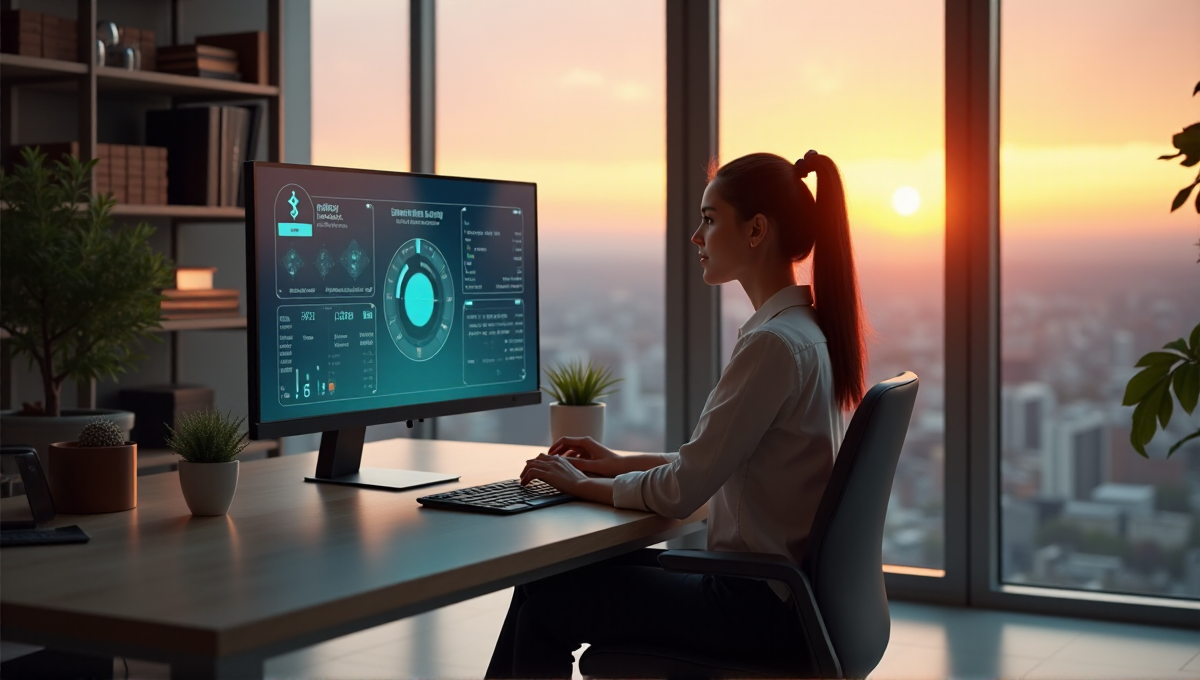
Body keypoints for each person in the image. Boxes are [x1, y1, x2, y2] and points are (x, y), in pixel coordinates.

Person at [485, 151, 868, 679]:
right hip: (778, 599)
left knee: (545, 607)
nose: (696, 236)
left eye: (710, 220)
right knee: (544, 577)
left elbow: (682, 491)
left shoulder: (773, 346)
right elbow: (720, 463)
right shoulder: (807, 332)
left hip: (751, 608)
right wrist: (615, 464)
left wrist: (577, 484)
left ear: (756, 230)